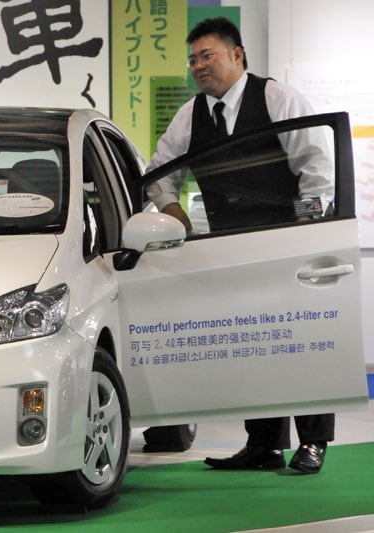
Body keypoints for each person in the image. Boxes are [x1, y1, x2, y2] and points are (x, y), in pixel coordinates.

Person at [145, 17, 334, 474]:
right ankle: (263, 444)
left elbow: (316, 163)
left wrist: (308, 227)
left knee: (301, 341)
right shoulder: (190, 114)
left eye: (206, 55)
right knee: (253, 343)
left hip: (286, 238)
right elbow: (159, 171)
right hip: (228, 243)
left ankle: (313, 442)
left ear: (237, 55)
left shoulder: (277, 97)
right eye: (192, 60)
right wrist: (172, 210)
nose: (197, 67)